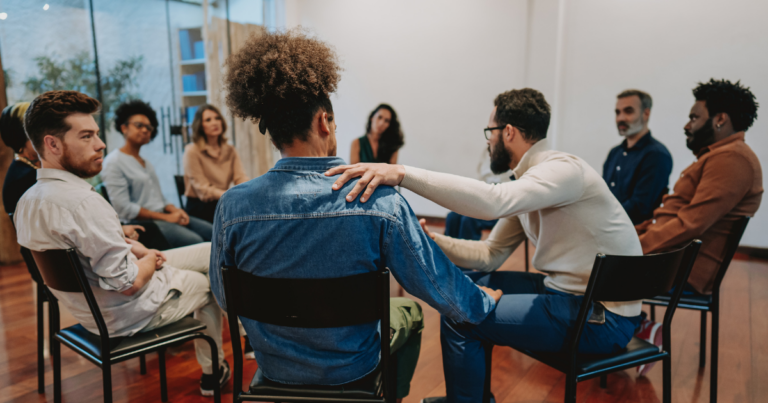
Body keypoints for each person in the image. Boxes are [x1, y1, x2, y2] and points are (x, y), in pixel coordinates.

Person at [209, 29, 499, 403]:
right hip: (351, 369)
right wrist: (481, 299)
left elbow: (224, 296)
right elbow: (436, 285)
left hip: (274, 367)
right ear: (323, 122)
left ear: (273, 132)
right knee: (408, 311)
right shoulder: (377, 201)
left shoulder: (232, 206)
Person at [326, 88, 644, 403]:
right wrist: (433, 240)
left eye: (489, 131)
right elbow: (490, 255)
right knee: (464, 291)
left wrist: (402, 173)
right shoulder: (533, 182)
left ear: (508, 132)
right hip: (570, 296)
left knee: (463, 313)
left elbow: (492, 202)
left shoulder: (561, 170)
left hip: (603, 318)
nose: (487, 140)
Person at [13, 90, 229, 396]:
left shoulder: (27, 203)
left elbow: (84, 251)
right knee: (208, 283)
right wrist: (150, 261)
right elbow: (129, 283)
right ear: (52, 144)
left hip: (93, 310)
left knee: (212, 250)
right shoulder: (84, 203)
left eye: (97, 134)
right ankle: (214, 371)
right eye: (87, 136)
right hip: (127, 312)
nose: (101, 144)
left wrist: (132, 247)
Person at [633, 79, 762, 375]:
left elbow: (690, 224)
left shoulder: (732, 159)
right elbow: (673, 217)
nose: (687, 125)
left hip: (681, 269)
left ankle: (635, 328)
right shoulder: (720, 156)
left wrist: (632, 247)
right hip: (672, 258)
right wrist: (628, 233)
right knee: (589, 256)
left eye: (694, 117)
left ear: (720, 119)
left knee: (588, 267)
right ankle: (630, 328)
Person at [0, 102, 168, 249]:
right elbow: (61, 234)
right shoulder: (27, 181)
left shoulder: (29, 173)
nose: (100, 144)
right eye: (86, 136)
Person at [102, 100, 212, 248]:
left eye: (149, 127)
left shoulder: (146, 162)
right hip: (143, 224)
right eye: (139, 125)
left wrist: (177, 211)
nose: (146, 130)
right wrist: (167, 218)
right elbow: (124, 208)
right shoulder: (113, 162)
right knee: (196, 241)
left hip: (162, 216)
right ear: (124, 128)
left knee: (214, 232)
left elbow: (160, 198)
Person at [603, 89, 673, 224]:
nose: (621, 118)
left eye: (628, 111)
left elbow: (640, 207)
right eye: (618, 112)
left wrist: (601, 219)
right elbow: (602, 196)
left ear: (646, 113)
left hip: (636, 236)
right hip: (608, 229)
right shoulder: (615, 153)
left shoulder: (656, 154)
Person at [182, 104, 248, 222]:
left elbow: (240, 177)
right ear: (200, 126)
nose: (215, 123)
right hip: (200, 208)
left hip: (222, 202)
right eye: (208, 120)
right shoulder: (192, 151)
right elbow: (202, 190)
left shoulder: (230, 150)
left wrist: (249, 190)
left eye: (217, 118)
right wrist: (230, 195)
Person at [444, 150, 509, 241]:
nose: (488, 140)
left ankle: (464, 254)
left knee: (468, 220)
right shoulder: (486, 152)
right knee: (453, 216)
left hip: (503, 208)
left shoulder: (513, 153)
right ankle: (446, 253)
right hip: (486, 200)